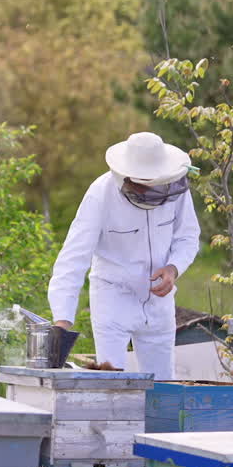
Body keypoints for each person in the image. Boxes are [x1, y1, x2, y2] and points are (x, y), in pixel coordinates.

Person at [48, 131, 201, 380]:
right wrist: (63, 320)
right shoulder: (100, 194)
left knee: (163, 385)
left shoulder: (176, 186)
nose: (149, 189)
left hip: (159, 300)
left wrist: (173, 268)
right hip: (113, 298)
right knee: (111, 382)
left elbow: (188, 236)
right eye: (143, 184)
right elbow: (73, 257)